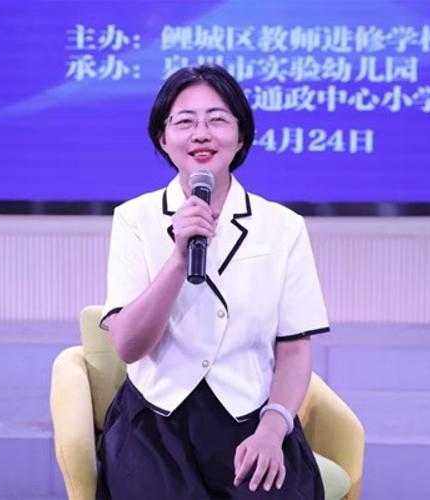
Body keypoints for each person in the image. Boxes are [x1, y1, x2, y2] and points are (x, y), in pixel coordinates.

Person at [96, 64, 330, 499]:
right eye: (185, 121)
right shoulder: (134, 219)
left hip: (251, 416)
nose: (201, 134)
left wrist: (273, 428)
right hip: (155, 422)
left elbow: (295, 348)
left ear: (241, 136)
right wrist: (178, 258)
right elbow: (128, 346)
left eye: (217, 119)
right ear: (163, 139)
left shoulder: (283, 226)